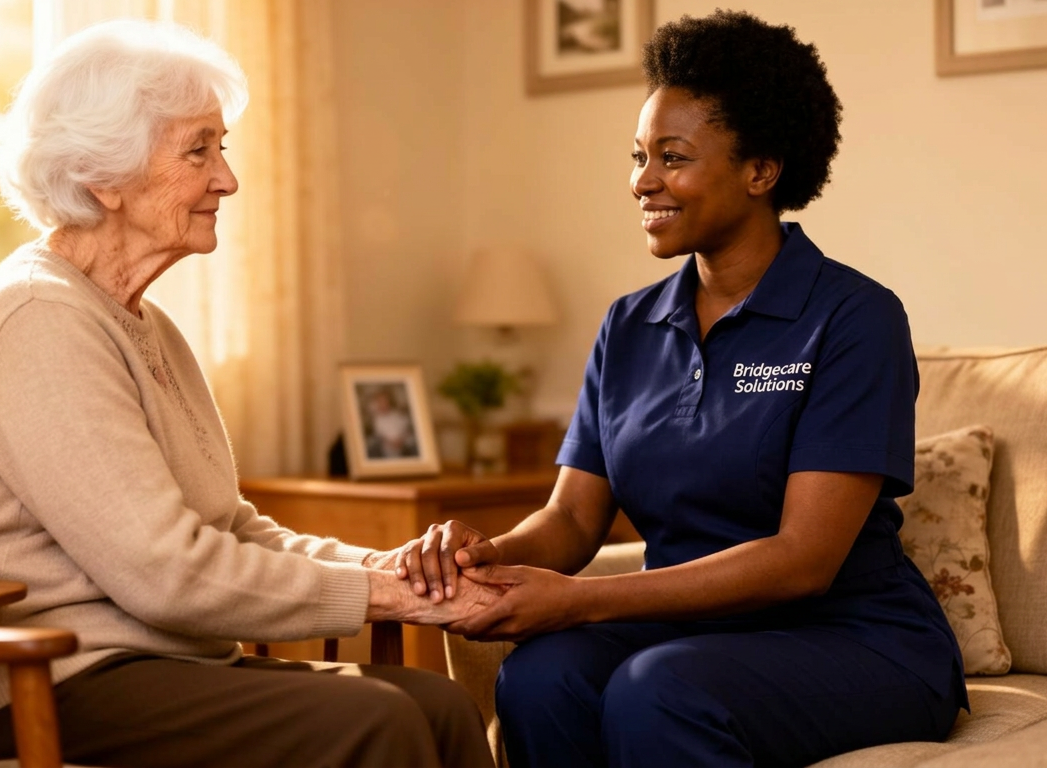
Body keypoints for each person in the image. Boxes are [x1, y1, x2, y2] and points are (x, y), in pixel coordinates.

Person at [381, 11, 966, 767]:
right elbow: (571, 519)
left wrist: (581, 600)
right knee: (540, 676)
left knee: (658, 688)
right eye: (638, 156)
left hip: (855, 639)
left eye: (673, 157)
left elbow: (801, 560)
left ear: (761, 171)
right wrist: (485, 555)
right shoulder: (629, 326)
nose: (642, 181)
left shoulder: (853, 318)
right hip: (694, 636)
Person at [0, 19, 494, 768]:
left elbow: (230, 528)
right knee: (375, 719)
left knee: (439, 706)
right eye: (199, 150)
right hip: (51, 681)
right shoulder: (36, 318)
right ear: (104, 178)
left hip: (164, 663)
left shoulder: (142, 321)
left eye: (222, 148)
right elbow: (168, 572)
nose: (227, 178)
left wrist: (393, 569)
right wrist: (393, 601)